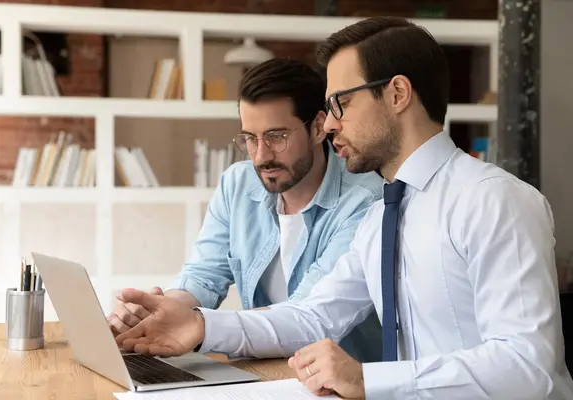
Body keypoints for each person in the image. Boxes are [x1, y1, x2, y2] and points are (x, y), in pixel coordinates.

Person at [115, 16, 573, 399]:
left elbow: (527, 366)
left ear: (396, 94)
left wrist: (366, 378)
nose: (329, 122)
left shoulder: (494, 201)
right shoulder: (383, 215)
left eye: (341, 102)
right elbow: (313, 316)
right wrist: (199, 326)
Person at [108, 57, 385, 363]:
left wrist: (197, 325)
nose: (261, 155)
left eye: (276, 137)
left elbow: (309, 315)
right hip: (260, 374)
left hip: (339, 384)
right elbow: (205, 274)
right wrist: (158, 311)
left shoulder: (366, 200)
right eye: (250, 138)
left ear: (319, 127)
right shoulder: (237, 184)